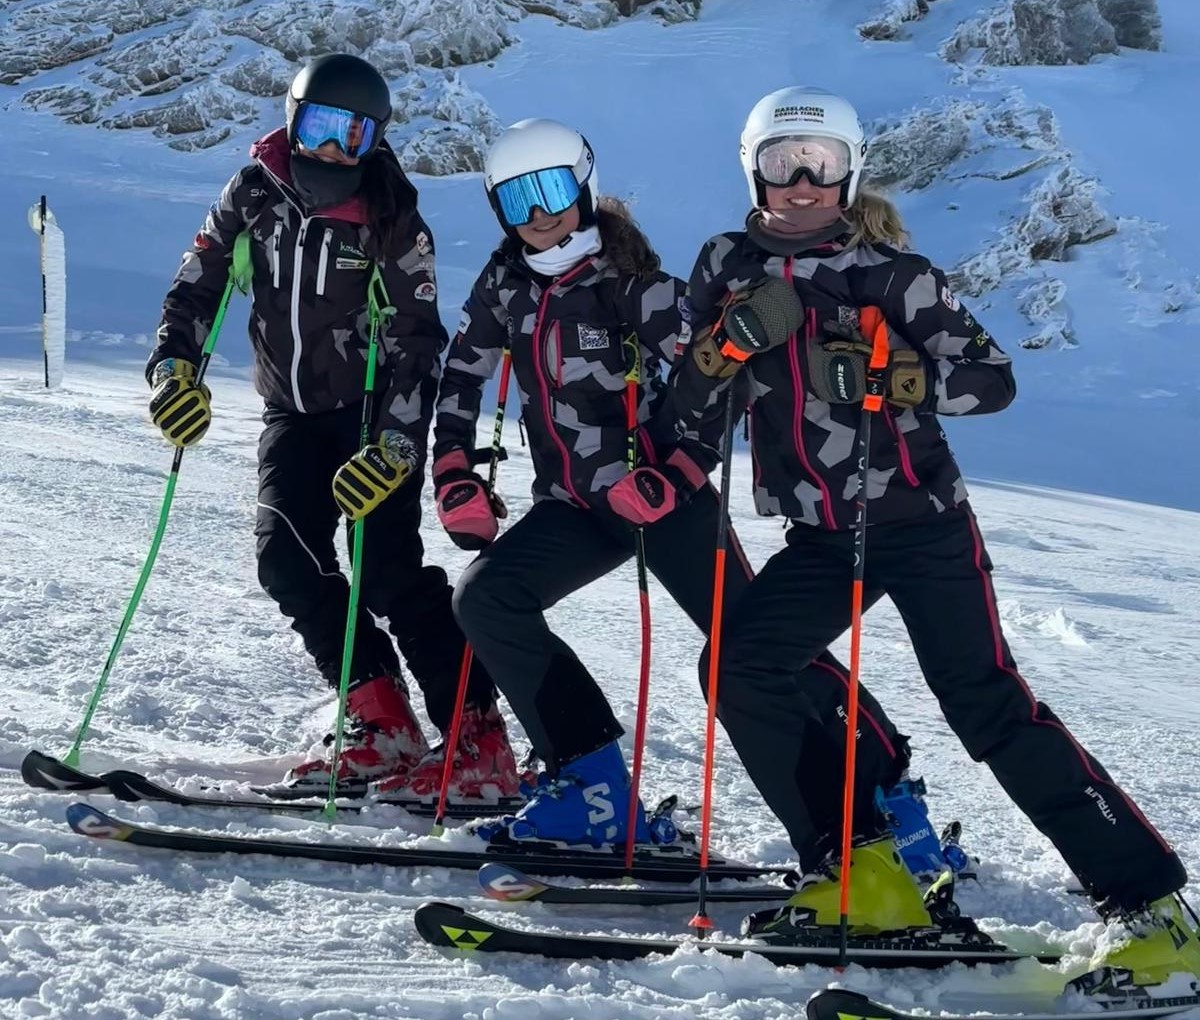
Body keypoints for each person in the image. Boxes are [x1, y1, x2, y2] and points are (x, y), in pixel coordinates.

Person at [669, 84, 1198, 993]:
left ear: (851, 170)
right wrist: (722, 353)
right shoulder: (724, 264)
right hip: (823, 536)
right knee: (739, 665)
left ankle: (1153, 909)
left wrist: (899, 375)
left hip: (922, 526)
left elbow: (991, 381)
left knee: (985, 704)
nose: (803, 183)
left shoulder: (892, 273)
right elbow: (690, 406)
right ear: (752, 167)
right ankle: (860, 872)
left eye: (824, 165)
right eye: (785, 164)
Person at [432, 117, 946, 857]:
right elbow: (463, 374)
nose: (540, 214)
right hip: (576, 508)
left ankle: (887, 794)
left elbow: (724, 383)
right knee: (485, 597)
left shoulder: (639, 290)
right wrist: (454, 470)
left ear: (584, 187)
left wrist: (675, 473)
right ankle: (592, 790)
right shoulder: (504, 286)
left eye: (552, 190)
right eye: (518, 200)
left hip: (664, 502)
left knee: (755, 645)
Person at [147, 53, 516, 802]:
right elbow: (196, 285)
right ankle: (378, 719)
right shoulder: (252, 191)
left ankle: (477, 735)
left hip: (375, 417)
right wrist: (172, 372)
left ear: (375, 140)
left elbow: (417, 345)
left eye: (356, 134)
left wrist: (393, 446)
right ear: (292, 116)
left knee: (387, 572)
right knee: (285, 559)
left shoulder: (392, 216)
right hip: (292, 409)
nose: (335, 150)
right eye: (322, 127)